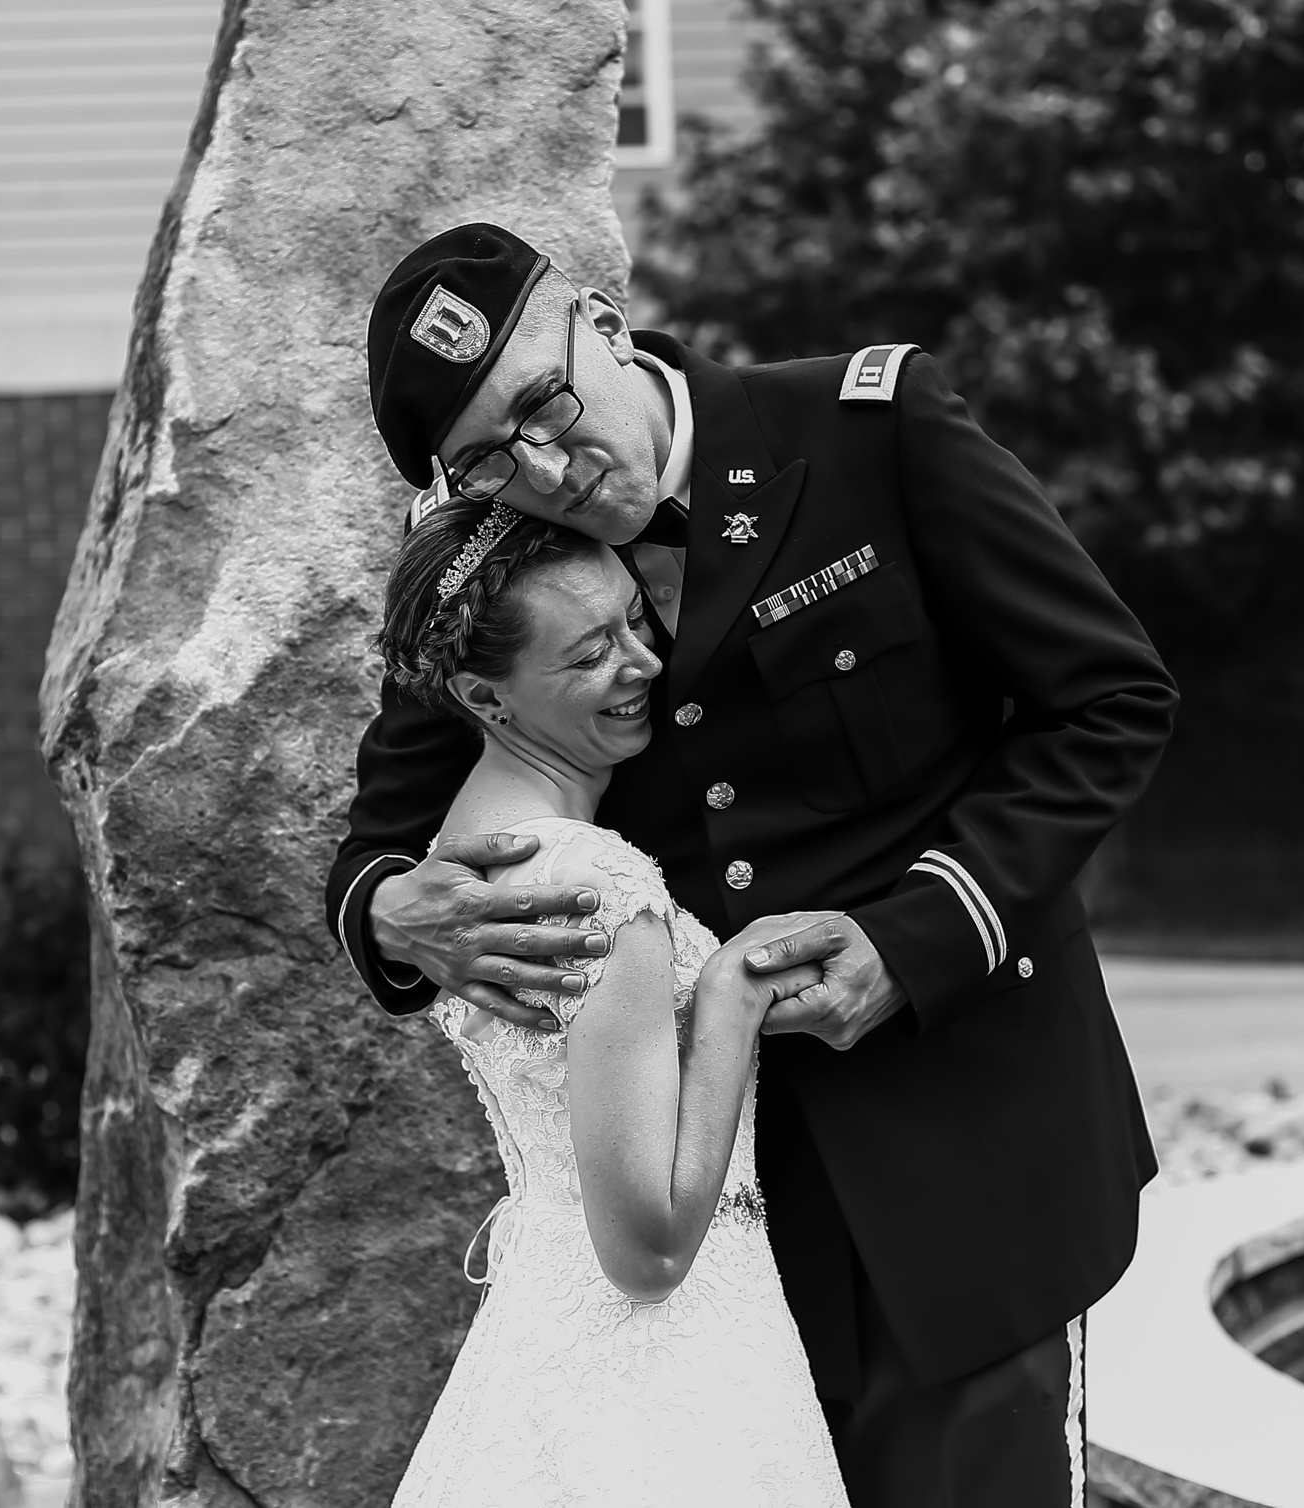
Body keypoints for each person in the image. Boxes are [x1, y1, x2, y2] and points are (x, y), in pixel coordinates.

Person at [325, 223, 1176, 1507]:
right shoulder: (499, 573)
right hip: (723, 1214)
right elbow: (378, 845)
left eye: (546, 407)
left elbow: (1106, 699)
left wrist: (916, 935)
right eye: (495, 455)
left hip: (967, 1136)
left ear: (603, 323)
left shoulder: (864, 428)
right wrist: (397, 915)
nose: (546, 466)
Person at [376, 501, 848, 1505]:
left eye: (635, 619)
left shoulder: (464, 853)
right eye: (592, 652)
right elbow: (650, 1248)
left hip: (546, 1330)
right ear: (484, 697)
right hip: (666, 1365)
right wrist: (729, 990)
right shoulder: (594, 884)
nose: (643, 662)